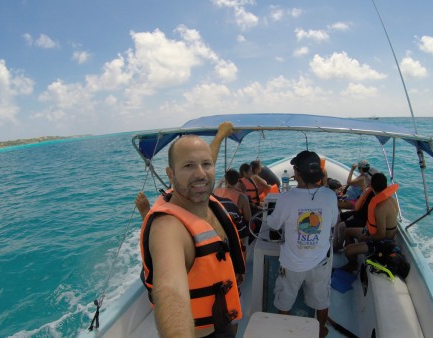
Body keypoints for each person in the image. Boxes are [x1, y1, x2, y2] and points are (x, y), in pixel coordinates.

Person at [139, 134, 246, 337]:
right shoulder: (168, 228)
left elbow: (203, 161)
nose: (200, 174)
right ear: (171, 175)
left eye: (206, 164)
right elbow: (171, 292)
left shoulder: (208, 202)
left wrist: (221, 135)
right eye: (188, 166)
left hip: (224, 317)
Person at [267, 150, 339, 338]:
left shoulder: (285, 198)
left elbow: (273, 224)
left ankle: (285, 331)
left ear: (297, 173)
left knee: (285, 300)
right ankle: (321, 331)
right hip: (320, 262)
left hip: (292, 264)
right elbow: (332, 223)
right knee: (322, 299)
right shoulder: (330, 196)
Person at [340, 173, 399, 272]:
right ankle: (353, 260)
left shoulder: (379, 207)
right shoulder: (392, 199)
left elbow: (381, 235)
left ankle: (352, 264)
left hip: (384, 241)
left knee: (348, 250)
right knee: (347, 232)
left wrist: (365, 237)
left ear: (372, 186)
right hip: (375, 233)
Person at [214, 169, 252, 249]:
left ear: (226, 180)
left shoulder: (216, 192)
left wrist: (220, 183)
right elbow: (248, 218)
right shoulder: (242, 197)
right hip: (236, 231)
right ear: (238, 180)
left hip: (219, 228)